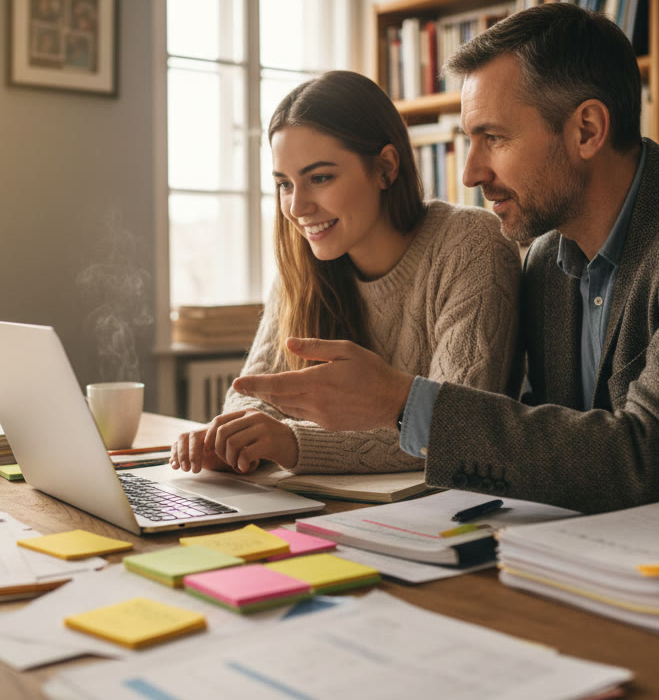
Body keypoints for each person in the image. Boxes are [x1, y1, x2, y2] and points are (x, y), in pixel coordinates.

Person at [232, 4, 659, 520]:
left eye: (495, 139)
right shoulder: (545, 259)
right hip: (624, 564)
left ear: (587, 131)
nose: (471, 171)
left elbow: (650, 458)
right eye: (469, 140)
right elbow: (550, 439)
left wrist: (403, 402)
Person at [170, 70, 521, 476]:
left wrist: (291, 442)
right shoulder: (303, 260)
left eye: (320, 178)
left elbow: (455, 428)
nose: (297, 208)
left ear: (386, 168)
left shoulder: (470, 244)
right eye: (284, 184)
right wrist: (230, 436)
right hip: (329, 504)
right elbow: (256, 393)